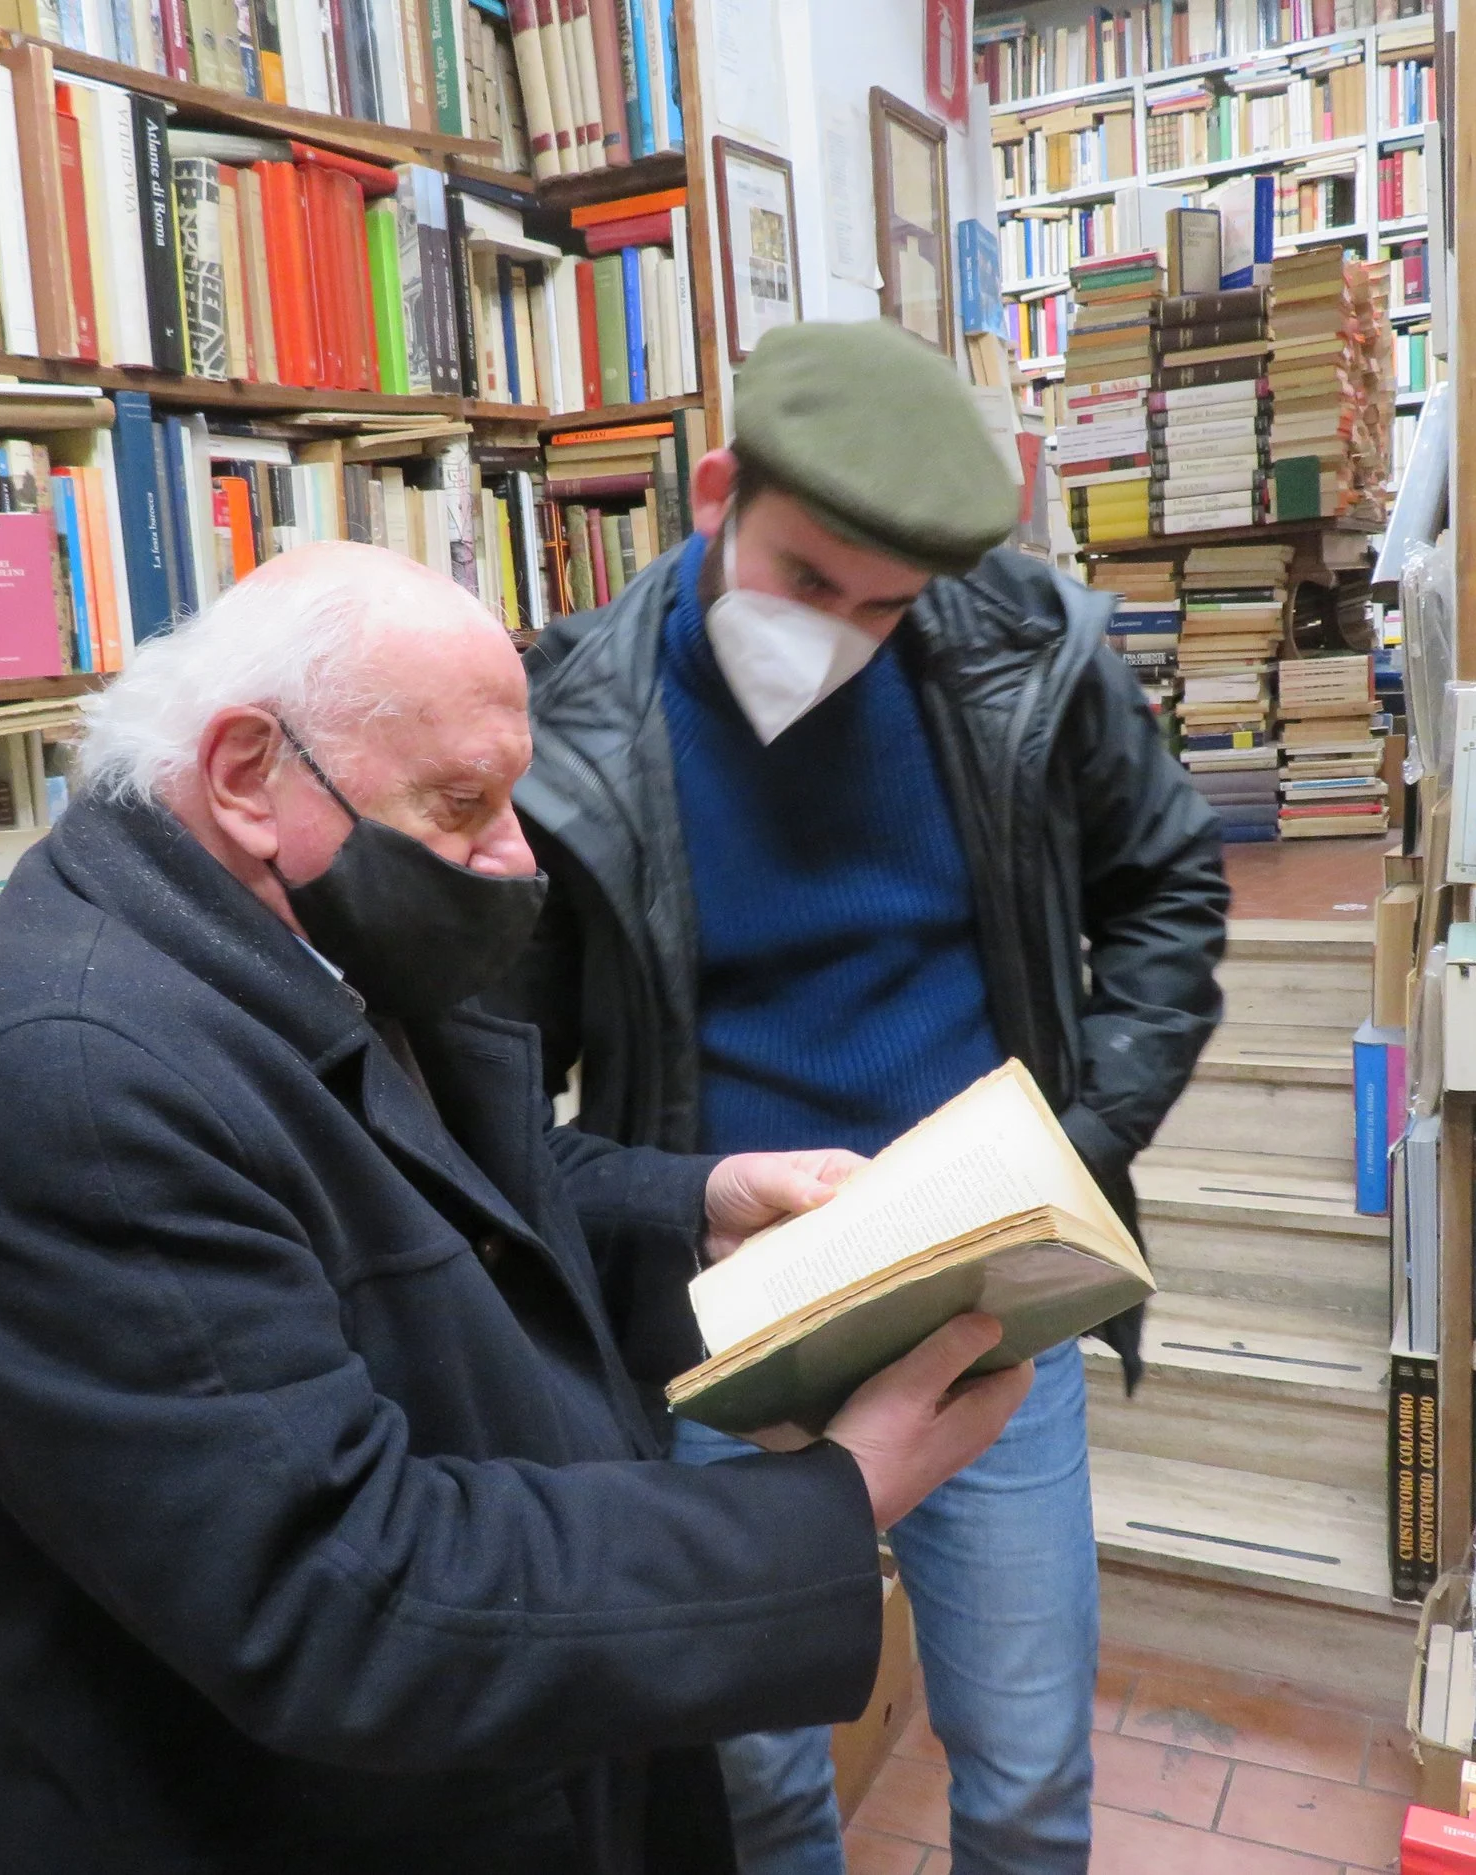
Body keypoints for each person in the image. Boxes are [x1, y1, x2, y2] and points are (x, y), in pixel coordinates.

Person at [0, 541, 1035, 1875]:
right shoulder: (68, 1087)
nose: (512, 854)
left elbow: (444, 1201)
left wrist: (700, 1215)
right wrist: (835, 1501)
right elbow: (346, 1594)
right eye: (462, 800)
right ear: (245, 773)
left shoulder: (287, 935)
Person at [495, 320, 1230, 1875]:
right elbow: (503, 1086)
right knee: (751, 1787)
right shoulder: (568, 721)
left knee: (1027, 1770)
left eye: (886, 605)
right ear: (716, 493)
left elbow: (1168, 884)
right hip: (718, 1316)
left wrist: (1081, 1152)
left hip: (982, 1283)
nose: (838, 633)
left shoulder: (1022, 649)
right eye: (808, 579)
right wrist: (670, 1205)